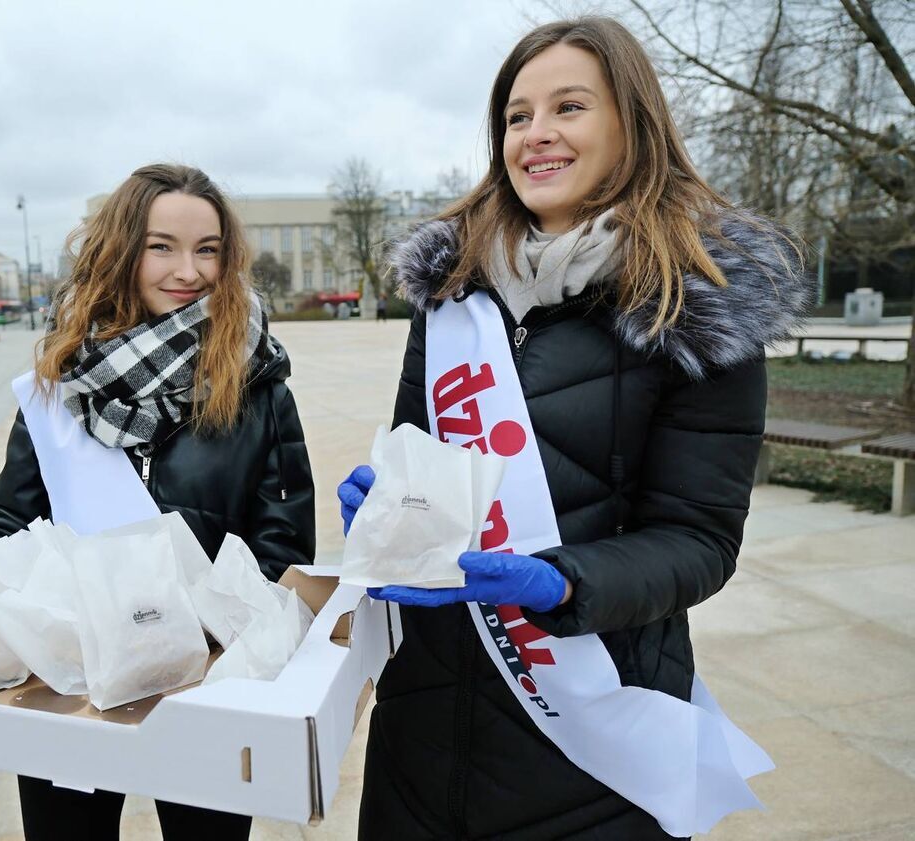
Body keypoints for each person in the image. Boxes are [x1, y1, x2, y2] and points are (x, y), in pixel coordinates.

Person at [337, 17, 813, 840]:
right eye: (517, 116)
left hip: (589, 737)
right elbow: (422, 464)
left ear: (633, 121)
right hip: (422, 728)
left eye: (569, 107)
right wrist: (390, 507)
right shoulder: (454, 291)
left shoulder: (698, 303)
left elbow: (698, 538)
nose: (537, 135)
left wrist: (562, 582)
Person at [0, 163, 316, 841]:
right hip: (71, 679)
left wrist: (222, 644)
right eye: (162, 246)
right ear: (123, 250)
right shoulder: (62, 381)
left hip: (209, 680)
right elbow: (11, 525)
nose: (188, 270)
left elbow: (284, 545)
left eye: (208, 249)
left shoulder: (258, 382)